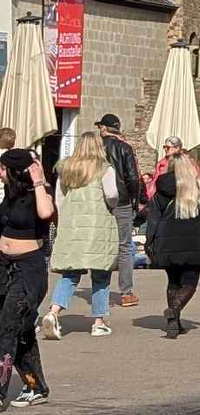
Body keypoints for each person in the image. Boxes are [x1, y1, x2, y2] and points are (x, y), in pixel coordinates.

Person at [43, 131, 119, 341]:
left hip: (73, 225)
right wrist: (111, 207)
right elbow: (112, 195)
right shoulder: (104, 168)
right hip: (98, 225)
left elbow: (59, 200)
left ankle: (54, 311)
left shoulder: (65, 169)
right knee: (101, 274)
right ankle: (99, 322)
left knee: (70, 273)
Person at [0, 149, 54, 404]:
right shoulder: (10, 195)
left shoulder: (39, 194)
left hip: (28, 271)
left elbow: (46, 214)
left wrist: (39, 181)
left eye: (2, 169)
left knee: (8, 327)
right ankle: (35, 385)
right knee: (20, 330)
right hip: (3, 266)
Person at [145, 154, 200, 339]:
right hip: (193, 240)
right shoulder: (199, 186)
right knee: (190, 282)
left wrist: (149, 241)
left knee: (173, 281)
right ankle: (175, 308)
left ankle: (174, 323)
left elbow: (153, 217)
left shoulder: (161, 188)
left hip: (167, 240)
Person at [94, 114, 142, 309]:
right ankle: (126, 292)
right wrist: (134, 200)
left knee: (102, 245)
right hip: (121, 201)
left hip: (100, 202)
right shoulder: (125, 148)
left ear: (104, 128)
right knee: (124, 247)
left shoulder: (95, 149)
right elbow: (132, 177)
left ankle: (100, 292)